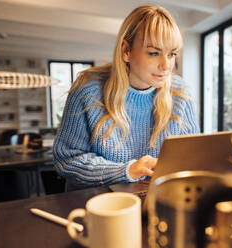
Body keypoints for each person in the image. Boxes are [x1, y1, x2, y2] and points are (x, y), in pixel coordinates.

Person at [53, 4, 200, 189]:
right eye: (154, 53)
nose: (166, 65)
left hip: (157, 201)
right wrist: (127, 170)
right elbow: (66, 159)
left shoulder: (181, 94)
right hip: (97, 205)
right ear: (126, 51)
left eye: (172, 54)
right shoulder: (87, 90)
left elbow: (193, 157)